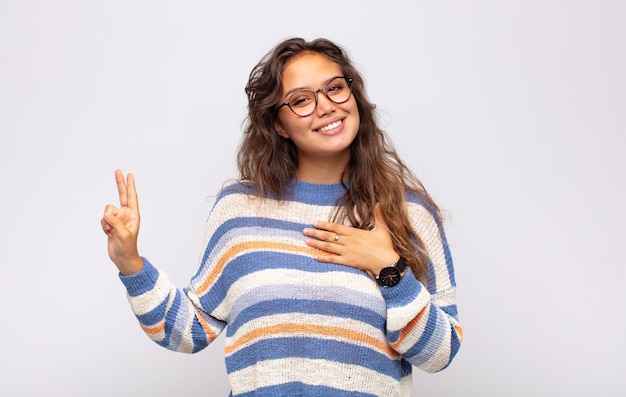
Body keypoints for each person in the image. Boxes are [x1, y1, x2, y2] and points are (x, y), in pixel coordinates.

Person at [101, 37, 462, 396]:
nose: (326, 107)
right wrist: (130, 262)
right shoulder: (240, 209)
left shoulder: (408, 211)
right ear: (278, 124)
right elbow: (190, 329)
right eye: (302, 100)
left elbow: (440, 353)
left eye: (335, 88)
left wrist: (390, 270)